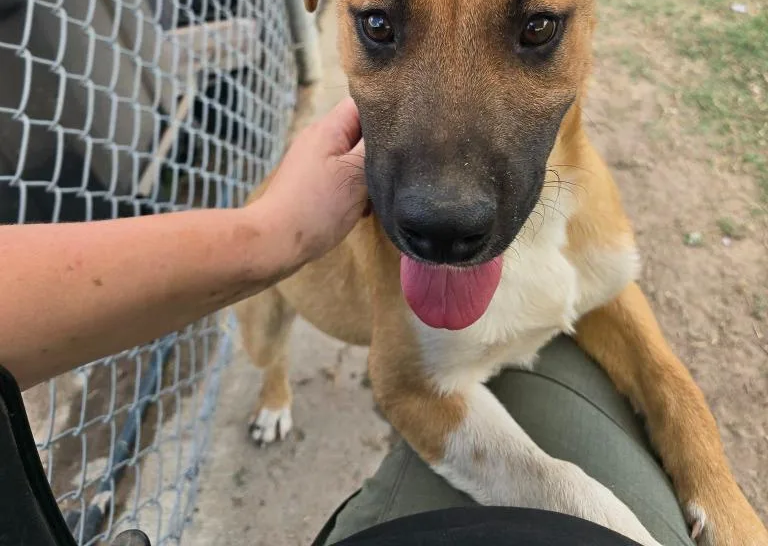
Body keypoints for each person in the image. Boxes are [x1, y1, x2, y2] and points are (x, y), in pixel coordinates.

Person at [0, 98, 692, 546]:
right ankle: (275, 389)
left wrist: (264, 234)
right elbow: (407, 384)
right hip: (287, 282)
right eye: (381, 29)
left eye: (535, 31)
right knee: (264, 345)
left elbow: (610, 299)